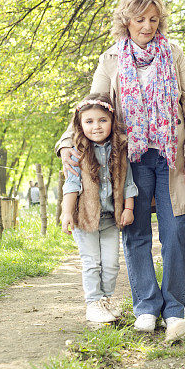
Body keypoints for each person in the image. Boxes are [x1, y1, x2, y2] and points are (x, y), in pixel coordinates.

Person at [56, 0, 185, 333]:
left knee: (176, 232)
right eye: (140, 19)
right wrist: (67, 142)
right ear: (126, 20)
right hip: (130, 158)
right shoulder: (111, 58)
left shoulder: (175, 53)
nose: (147, 26)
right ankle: (146, 307)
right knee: (135, 232)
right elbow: (91, 104)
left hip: (172, 155)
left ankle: (175, 309)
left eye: (154, 19)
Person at [60, 94, 139, 323]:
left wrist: (129, 208)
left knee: (112, 264)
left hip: (111, 219)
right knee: (92, 262)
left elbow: (128, 182)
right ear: (80, 124)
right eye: (89, 121)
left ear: (112, 121)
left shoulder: (120, 149)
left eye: (102, 120)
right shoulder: (77, 152)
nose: (96, 127)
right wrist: (67, 213)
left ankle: (106, 299)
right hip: (86, 219)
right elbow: (72, 185)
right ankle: (93, 302)